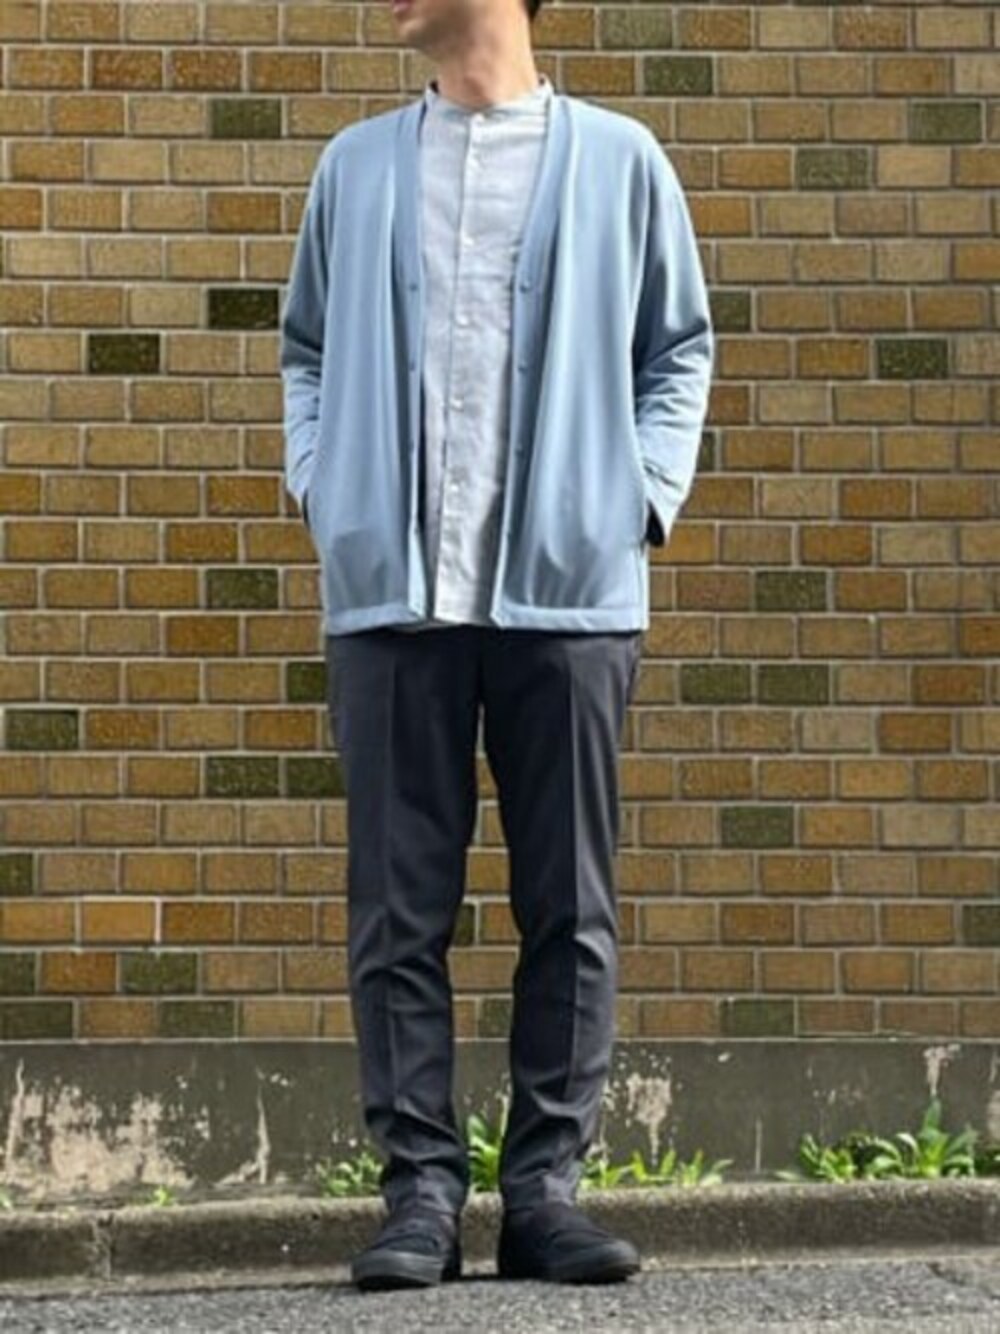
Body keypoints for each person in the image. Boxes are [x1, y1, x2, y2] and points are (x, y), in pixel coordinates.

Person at [280, 0, 714, 1293]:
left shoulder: (620, 160)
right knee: (395, 912)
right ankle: (419, 1194)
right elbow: (306, 350)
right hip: (391, 599)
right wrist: (327, 487)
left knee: (569, 905)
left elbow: (678, 348)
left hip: (570, 600)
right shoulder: (356, 167)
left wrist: (637, 499)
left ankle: (543, 1195)